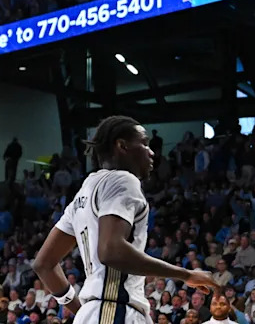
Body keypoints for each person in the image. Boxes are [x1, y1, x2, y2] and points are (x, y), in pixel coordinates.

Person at [31, 115, 220, 324]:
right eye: (144, 144)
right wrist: (185, 275)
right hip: (114, 310)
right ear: (122, 145)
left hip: (98, 313)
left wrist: (82, 311)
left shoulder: (85, 190)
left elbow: (44, 264)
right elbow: (111, 250)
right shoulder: (123, 179)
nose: (152, 152)